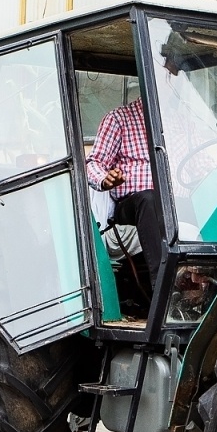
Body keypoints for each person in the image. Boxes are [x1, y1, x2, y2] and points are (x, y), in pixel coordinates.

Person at [85, 96, 163, 289]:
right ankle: (162, 288)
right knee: (149, 198)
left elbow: (203, 166)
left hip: (175, 203)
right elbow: (94, 162)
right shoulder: (119, 119)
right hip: (132, 207)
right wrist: (105, 179)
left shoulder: (182, 121)